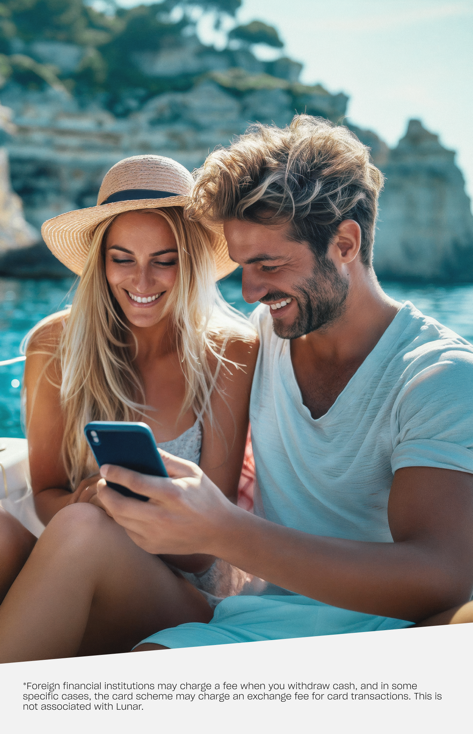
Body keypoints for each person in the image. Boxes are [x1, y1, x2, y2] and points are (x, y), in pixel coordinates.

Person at [101, 114, 473, 646]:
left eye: (269, 265)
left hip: (377, 636)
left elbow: (440, 576)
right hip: (254, 620)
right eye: (242, 266)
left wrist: (221, 529)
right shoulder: (268, 332)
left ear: (345, 244)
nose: (250, 292)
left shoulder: (439, 377)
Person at [0, 154, 257, 661]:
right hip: (82, 551)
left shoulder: (232, 351)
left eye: (164, 259)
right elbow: (48, 493)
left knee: (83, 528)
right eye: (123, 259)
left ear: (191, 261)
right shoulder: (55, 343)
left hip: (187, 586)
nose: (142, 281)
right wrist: (87, 500)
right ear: (101, 262)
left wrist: (113, 513)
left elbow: (207, 549)